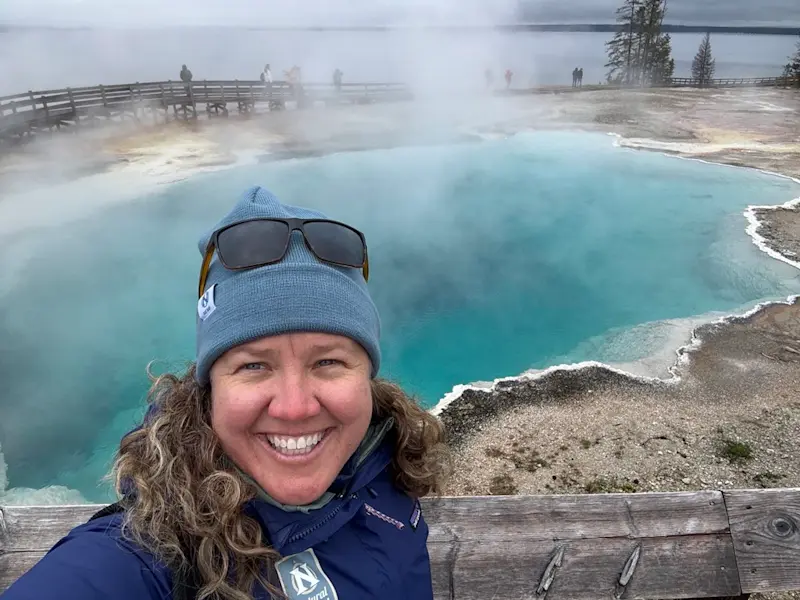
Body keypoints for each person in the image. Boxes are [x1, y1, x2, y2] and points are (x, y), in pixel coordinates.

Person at [2, 186, 452, 600]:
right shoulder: (151, 551)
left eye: (328, 362)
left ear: (367, 375)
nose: (294, 407)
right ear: (210, 387)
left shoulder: (385, 461)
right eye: (254, 365)